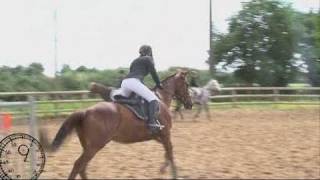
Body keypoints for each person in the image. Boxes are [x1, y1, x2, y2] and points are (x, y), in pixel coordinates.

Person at [111, 45, 163, 134]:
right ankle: (152, 123)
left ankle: (122, 100)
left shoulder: (135, 61)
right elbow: (153, 73)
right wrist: (159, 84)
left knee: (135, 99)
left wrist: (141, 85)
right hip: (134, 82)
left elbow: (133, 72)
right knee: (153, 99)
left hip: (125, 82)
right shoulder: (148, 59)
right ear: (149, 52)